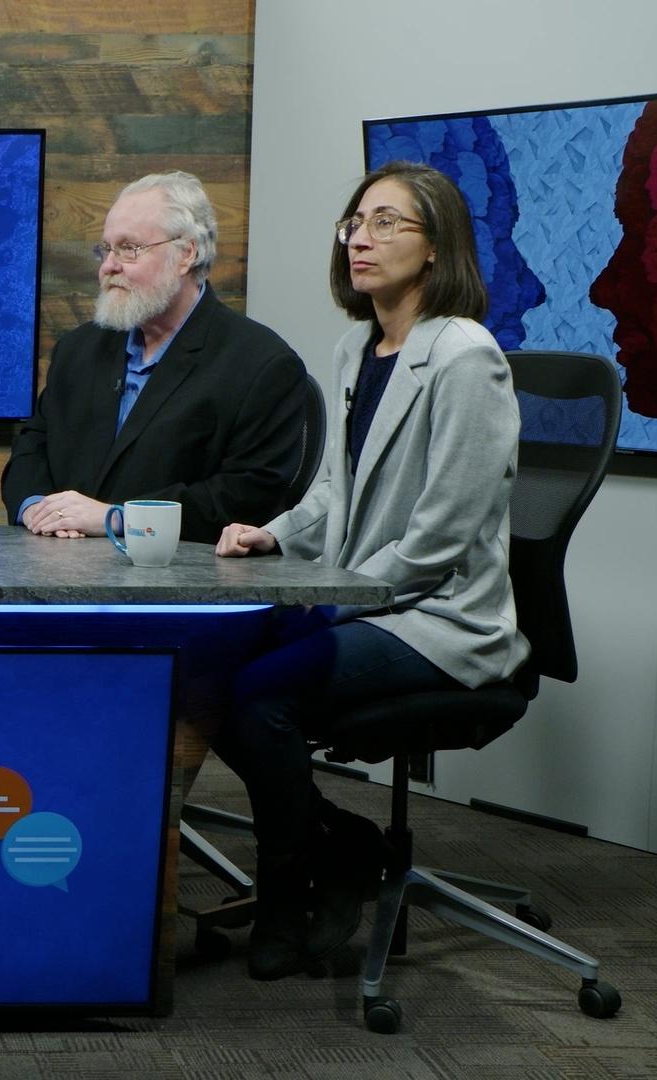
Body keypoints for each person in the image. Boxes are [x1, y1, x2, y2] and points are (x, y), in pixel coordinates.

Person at [211, 162, 528, 980]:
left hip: (440, 619)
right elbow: (331, 488)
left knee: (262, 691)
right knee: (207, 663)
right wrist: (273, 537)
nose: (362, 236)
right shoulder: (359, 345)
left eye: (390, 222)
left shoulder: (467, 358)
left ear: (436, 249)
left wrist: (331, 605)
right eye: (356, 220)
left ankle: (289, 892)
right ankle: (344, 845)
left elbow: (438, 542)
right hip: (365, 599)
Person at [1, 170, 310, 543]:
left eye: (129, 249)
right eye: (105, 249)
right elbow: (31, 449)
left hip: (179, 585)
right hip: (58, 568)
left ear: (186, 254)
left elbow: (246, 497)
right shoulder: (77, 350)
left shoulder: (262, 365)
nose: (108, 266)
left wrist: (118, 518)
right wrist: (37, 507)